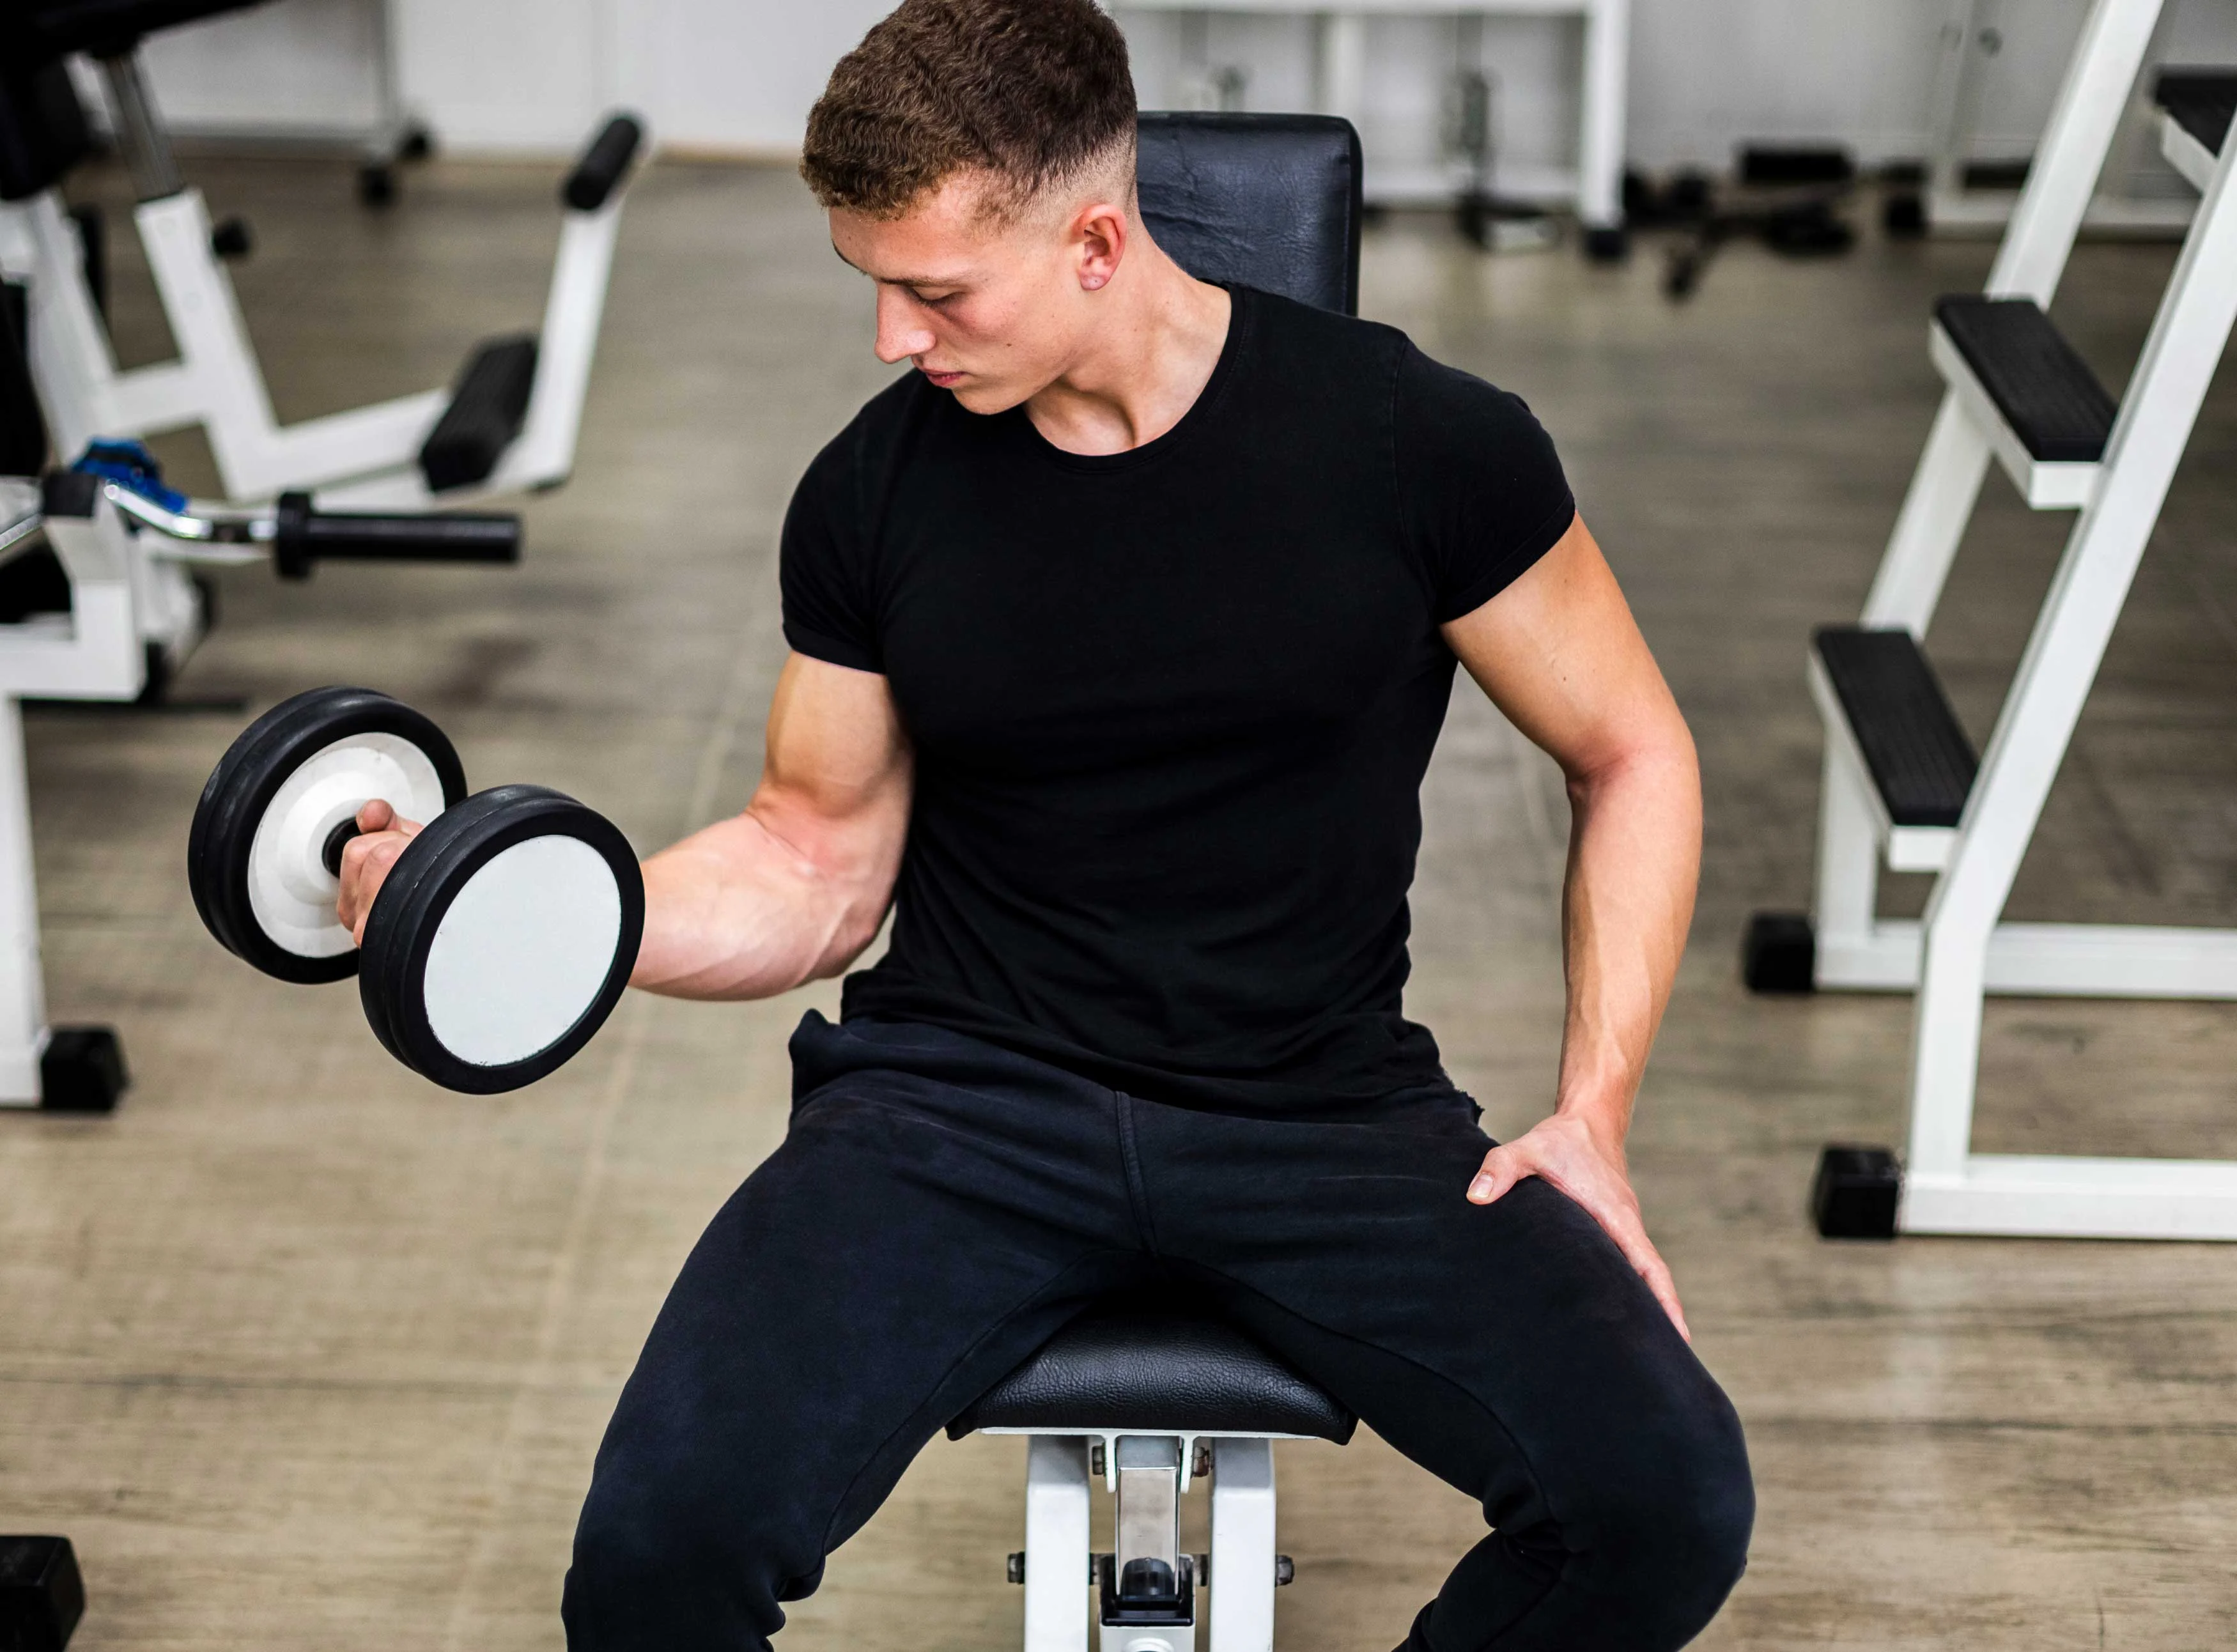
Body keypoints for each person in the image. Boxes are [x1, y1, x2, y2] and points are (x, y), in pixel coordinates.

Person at [341, 1, 1752, 1645]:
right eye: (870, 284)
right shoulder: (874, 491)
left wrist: (1593, 1112)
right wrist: (510, 903)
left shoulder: (1415, 444)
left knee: (1661, 1501)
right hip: (955, 1111)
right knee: (657, 1558)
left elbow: (1631, 748)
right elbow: (812, 856)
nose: (890, 337)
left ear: (1095, 238)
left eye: (934, 290)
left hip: (1316, 1110)